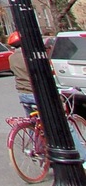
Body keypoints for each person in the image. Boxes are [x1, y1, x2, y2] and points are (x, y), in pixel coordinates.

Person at [8, 31, 86, 163]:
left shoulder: (12, 57)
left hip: (23, 95)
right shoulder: (30, 56)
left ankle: (37, 149)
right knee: (65, 124)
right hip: (37, 94)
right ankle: (83, 157)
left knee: (35, 123)